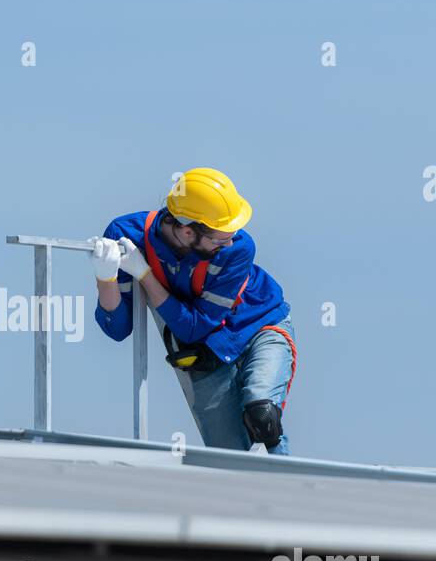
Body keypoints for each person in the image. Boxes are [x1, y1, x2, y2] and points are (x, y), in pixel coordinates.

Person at [88, 167, 296, 453]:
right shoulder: (125, 234)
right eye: (221, 238)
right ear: (187, 232)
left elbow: (195, 326)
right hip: (204, 354)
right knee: (229, 456)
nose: (230, 242)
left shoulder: (239, 248)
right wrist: (105, 277)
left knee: (262, 415)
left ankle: (287, 488)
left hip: (260, 325)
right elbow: (117, 328)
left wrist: (145, 274)